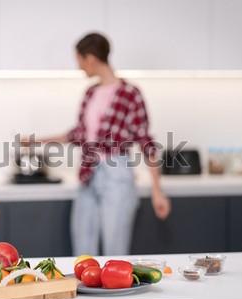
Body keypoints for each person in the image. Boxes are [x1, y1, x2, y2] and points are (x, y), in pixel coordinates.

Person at [24, 33, 170, 256]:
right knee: (83, 254)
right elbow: (77, 134)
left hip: (117, 175)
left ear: (91, 59)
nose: (79, 67)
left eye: (80, 61)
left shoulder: (130, 94)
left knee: (115, 251)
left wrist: (157, 191)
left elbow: (146, 142)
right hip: (88, 174)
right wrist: (35, 142)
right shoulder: (90, 93)